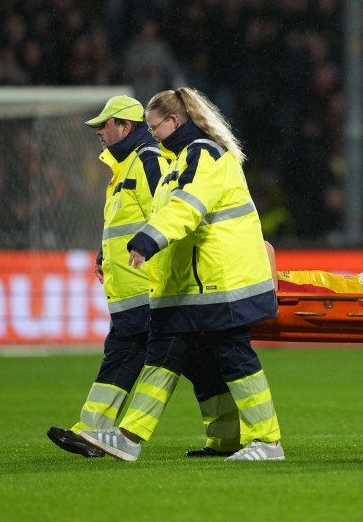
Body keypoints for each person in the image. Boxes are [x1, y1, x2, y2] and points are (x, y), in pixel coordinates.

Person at [79, 87, 283, 462]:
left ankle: (268, 442)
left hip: (222, 279)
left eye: (155, 126)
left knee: (233, 355)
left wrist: (148, 240)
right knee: (163, 353)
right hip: (194, 284)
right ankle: (129, 437)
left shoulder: (203, 154)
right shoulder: (182, 158)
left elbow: (186, 209)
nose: (151, 133)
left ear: (174, 120)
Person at [46, 96, 168, 458]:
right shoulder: (126, 167)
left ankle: (97, 431)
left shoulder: (148, 162)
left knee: (174, 356)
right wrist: (105, 254)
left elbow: (167, 215)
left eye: (104, 125)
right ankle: (92, 431)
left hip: (148, 287)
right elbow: (129, 224)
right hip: (132, 289)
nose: (98, 132)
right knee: (129, 351)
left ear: (125, 127)